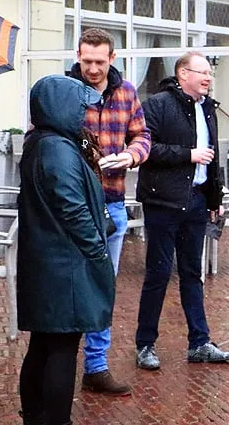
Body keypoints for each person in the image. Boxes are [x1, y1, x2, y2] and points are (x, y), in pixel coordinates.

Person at [16, 75, 116, 425]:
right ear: (60, 107)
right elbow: (71, 207)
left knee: (44, 344)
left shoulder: (45, 143)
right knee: (61, 347)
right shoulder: (56, 149)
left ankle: (35, 416)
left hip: (50, 262)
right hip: (64, 265)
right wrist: (97, 251)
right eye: (79, 107)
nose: (84, 114)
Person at [134, 53, 229, 370]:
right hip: (163, 202)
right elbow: (144, 148)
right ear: (182, 74)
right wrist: (187, 154)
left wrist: (214, 196)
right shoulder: (158, 105)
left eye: (209, 72)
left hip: (195, 202)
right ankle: (145, 345)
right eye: (201, 72)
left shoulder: (208, 108)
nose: (207, 77)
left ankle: (200, 342)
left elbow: (213, 156)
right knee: (159, 273)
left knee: (193, 274)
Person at [67, 28, 151, 396]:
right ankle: (61, 364)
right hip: (75, 207)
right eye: (87, 61)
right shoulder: (63, 90)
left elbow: (142, 135)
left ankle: (96, 366)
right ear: (78, 56)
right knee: (70, 285)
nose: (93, 69)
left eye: (100, 62)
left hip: (113, 203)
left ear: (112, 59)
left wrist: (131, 155)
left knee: (104, 287)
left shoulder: (127, 92)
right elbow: (40, 137)